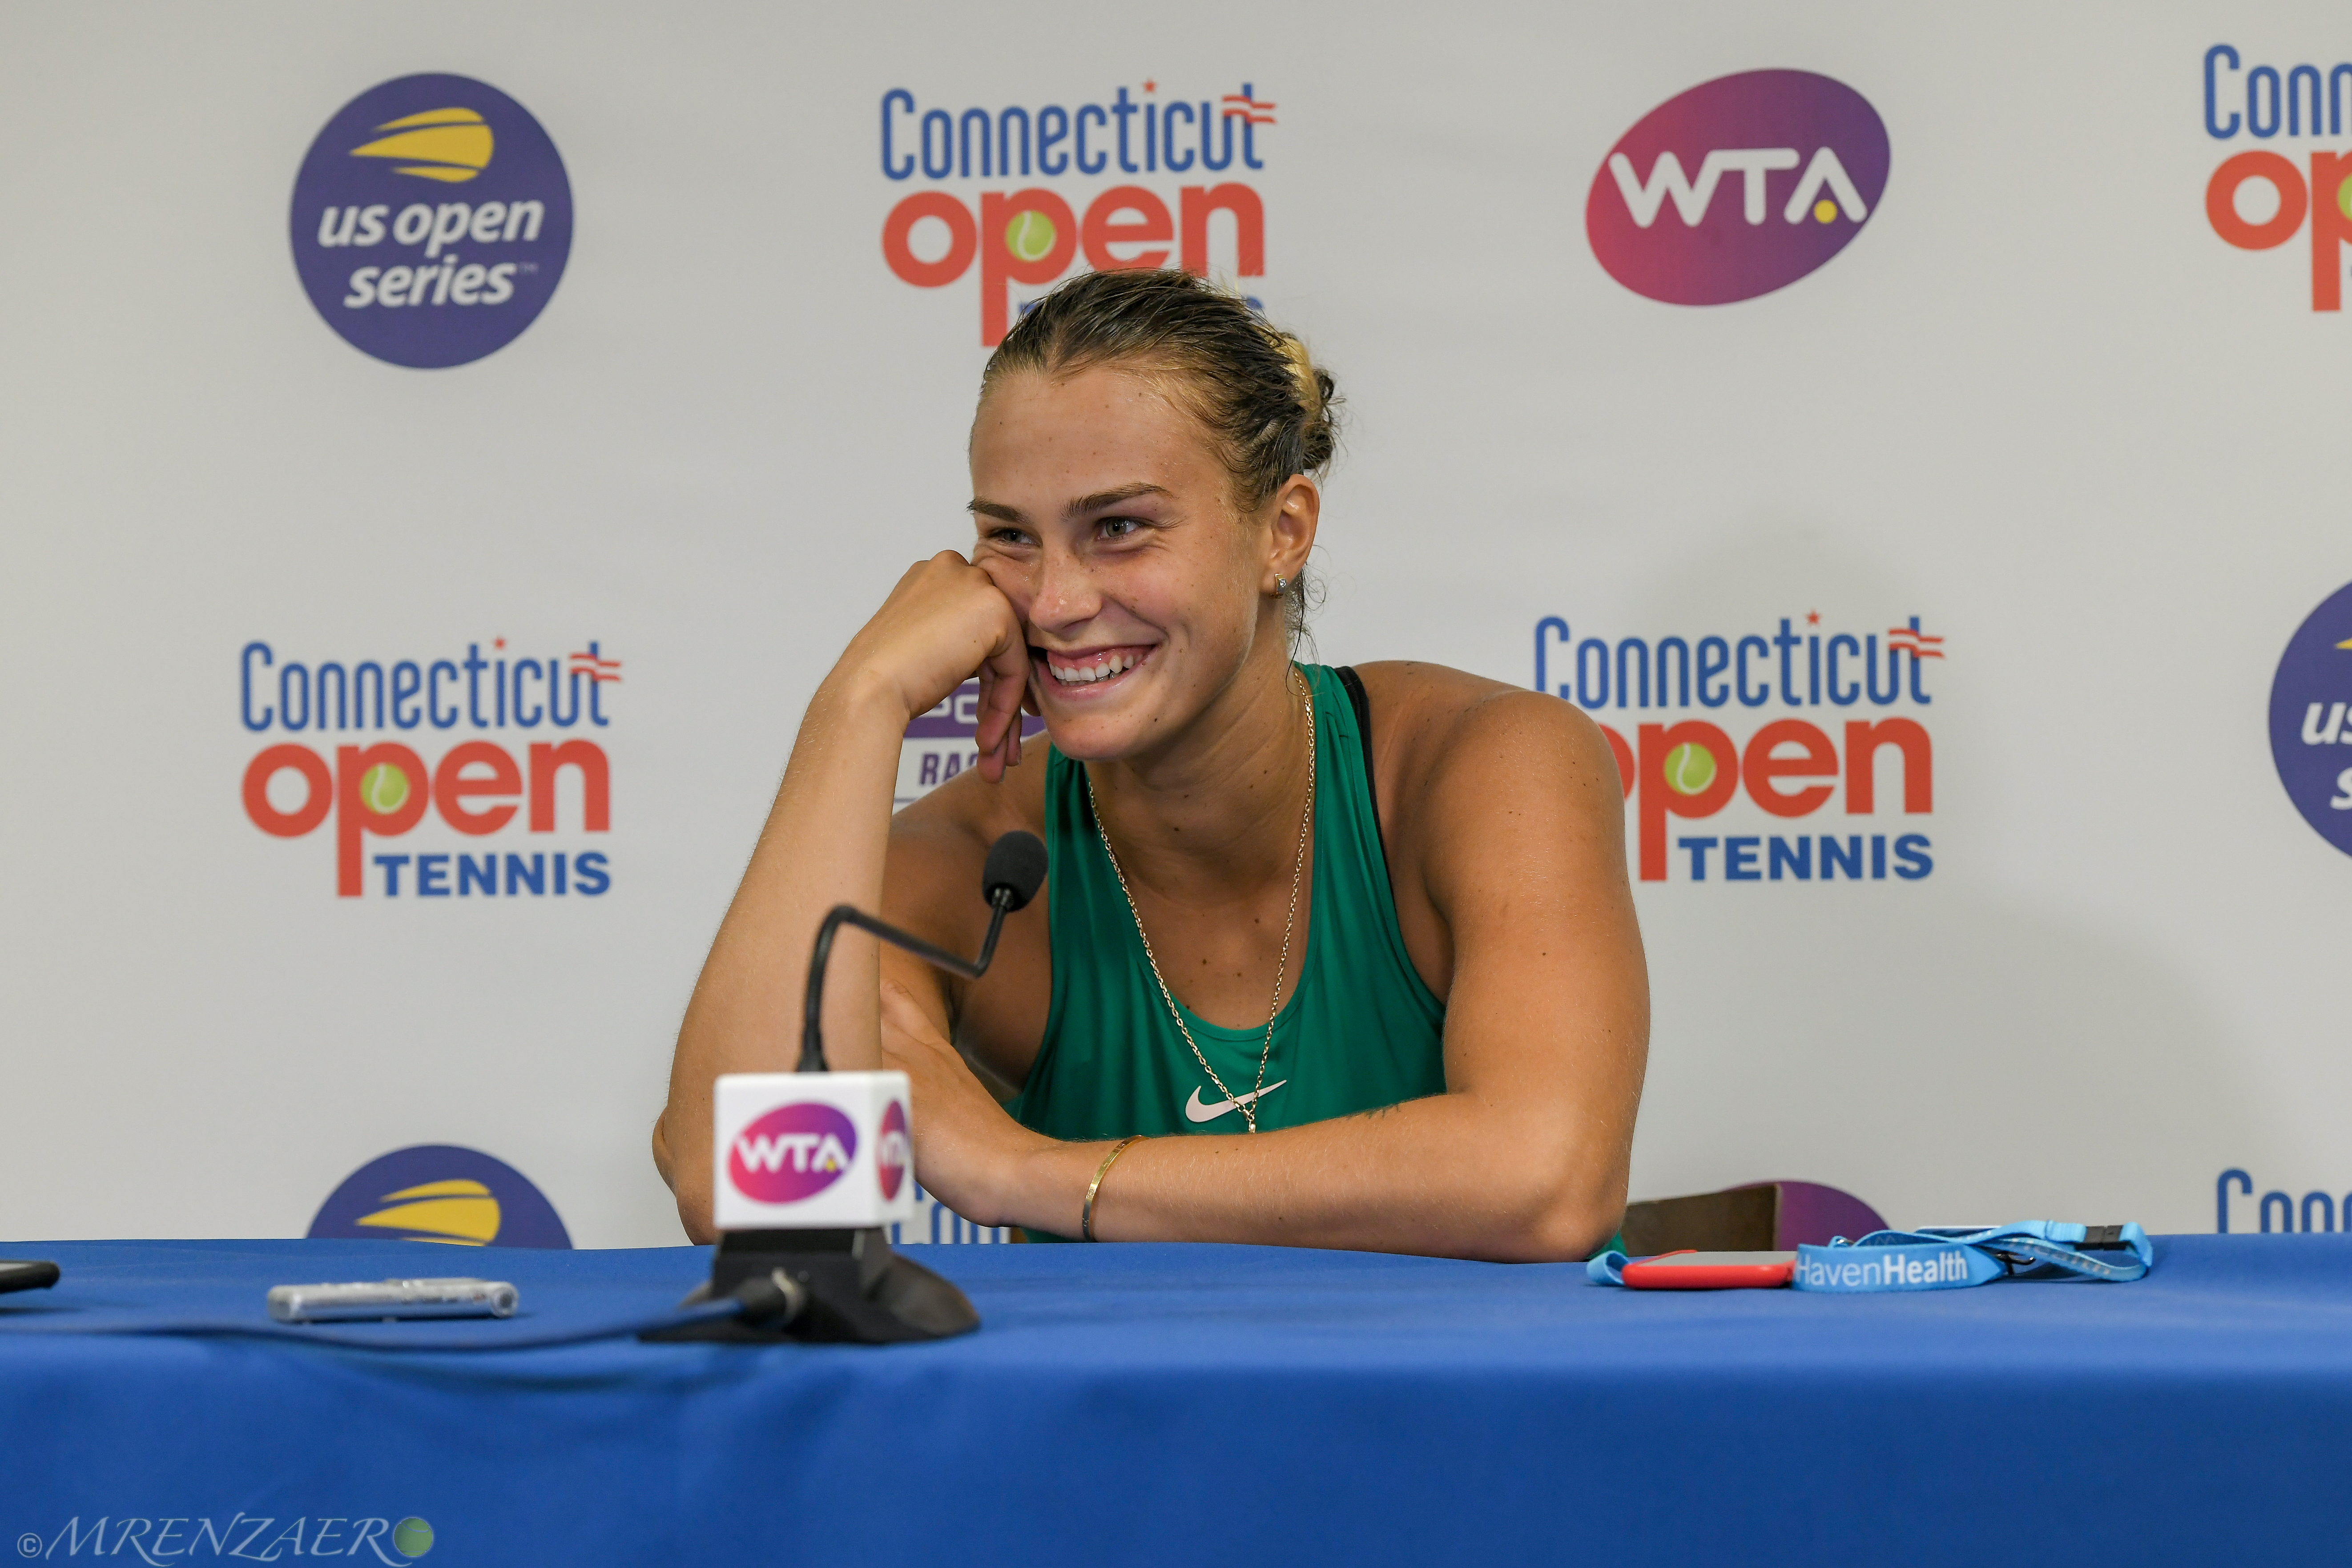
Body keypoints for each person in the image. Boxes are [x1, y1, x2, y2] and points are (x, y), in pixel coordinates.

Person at [654, 268, 1647, 1259]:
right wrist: (859, 701)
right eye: (1009, 535)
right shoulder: (975, 855)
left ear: (1282, 531)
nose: (1052, 602)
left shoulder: (1482, 764)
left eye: (1118, 527)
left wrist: (1023, 1170)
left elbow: (1546, 1180)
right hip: (1098, 1421)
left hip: (1431, 1415)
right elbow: (728, 1186)